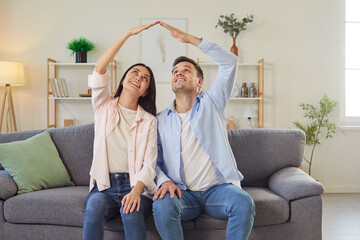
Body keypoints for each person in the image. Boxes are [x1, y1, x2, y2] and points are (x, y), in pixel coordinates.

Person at [152, 21, 256, 240]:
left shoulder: (213, 103)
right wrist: (164, 181)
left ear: (199, 82)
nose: (179, 73)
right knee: (162, 205)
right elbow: (154, 160)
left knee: (243, 202)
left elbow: (230, 62)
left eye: (186, 70)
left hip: (217, 190)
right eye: (175, 71)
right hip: (182, 194)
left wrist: (190, 39)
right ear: (171, 81)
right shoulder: (160, 120)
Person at [83, 22, 159, 240]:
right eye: (135, 73)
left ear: (145, 91)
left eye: (145, 78)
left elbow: (149, 164)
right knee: (94, 208)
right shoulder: (103, 107)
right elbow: (99, 70)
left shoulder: (150, 121)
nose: (139, 78)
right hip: (104, 185)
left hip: (135, 186)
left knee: (130, 212)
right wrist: (127, 34)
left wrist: (135, 191)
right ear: (124, 78)